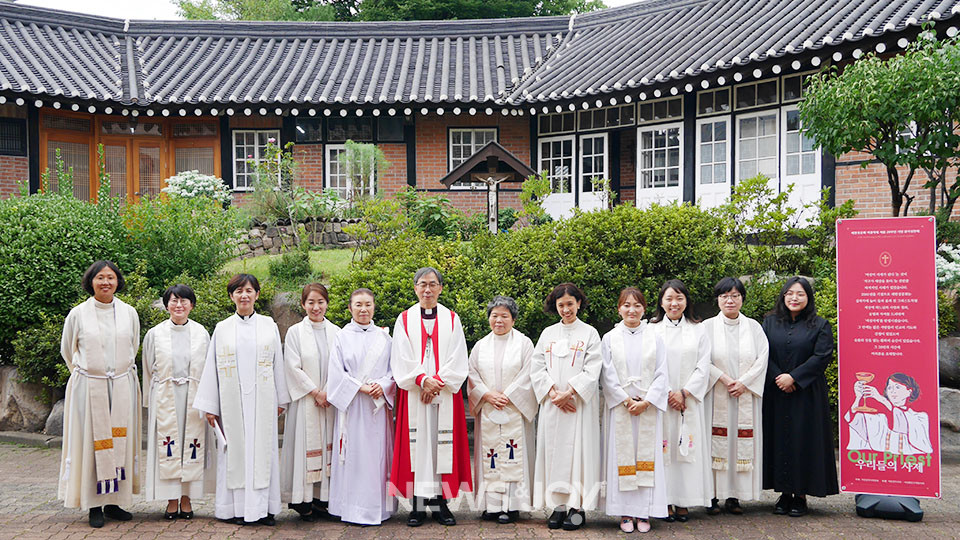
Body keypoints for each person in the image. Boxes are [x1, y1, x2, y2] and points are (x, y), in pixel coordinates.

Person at [194, 274, 291, 526]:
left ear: (257, 295)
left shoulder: (269, 324)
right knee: (235, 454)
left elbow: (277, 362)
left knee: (264, 453)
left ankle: (265, 509)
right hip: (231, 403)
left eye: (249, 290)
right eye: (239, 291)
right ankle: (234, 510)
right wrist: (211, 406)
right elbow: (212, 368)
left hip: (263, 400)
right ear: (231, 296)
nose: (244, 295)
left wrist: (282, 397)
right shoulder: (222, 328)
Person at [59, 260, 142, 528]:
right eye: (100, 278)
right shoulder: (78, 314)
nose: (106, 282)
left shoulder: (129, 312)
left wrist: (117, 373)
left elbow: (134, 345)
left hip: (120, 385)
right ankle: (94, 504)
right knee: (91, 444)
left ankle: (114, 502)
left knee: (119, 443)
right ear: (90, 281)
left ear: (118, 281)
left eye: (111, 277)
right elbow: (68, 350)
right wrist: (88, 374)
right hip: (90, 386)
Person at [389, 267, 472, 527]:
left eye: (432, 284)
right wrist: (422, 381)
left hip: (443, 395)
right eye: (422, 284)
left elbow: (459, 356)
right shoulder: (403, 320)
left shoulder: (452, 318)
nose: (427, 289)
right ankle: (416, 505)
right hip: (415, 395)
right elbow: (400, 356)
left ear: (440, 288)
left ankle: (440, 505)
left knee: (440, 447)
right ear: (415, 288)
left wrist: (436, 383)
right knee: (419, 446)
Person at [762, 276, 838, 517]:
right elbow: (762, 353)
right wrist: (778, 377)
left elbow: (822, 356)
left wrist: (794, 377)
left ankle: (800, 496)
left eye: (800, 294)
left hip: (807, 394)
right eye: (790, 293)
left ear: (808, 297)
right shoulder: (769, 323)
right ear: (783, 297)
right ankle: (783, 493)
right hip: (776, 392)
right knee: (779, 439)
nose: (794, 298)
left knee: (803, 440)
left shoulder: (820, 324)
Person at [530, 282, 602, 531]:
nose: (566, 309)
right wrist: (552, 393)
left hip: (578, 405)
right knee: (553, 453)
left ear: (579, 303)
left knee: (579, 454)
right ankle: (557, 507)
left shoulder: (590, 333)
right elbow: (537, 366)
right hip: (553, 405)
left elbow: (593, 370)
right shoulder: (548, 334)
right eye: (561, 305)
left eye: (570, 304)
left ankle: (577, 508)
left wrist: (570, 392)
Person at [600, 287, 669, 534]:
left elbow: (662, 373)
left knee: (646, 458)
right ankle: (625, 512)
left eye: (637, 305)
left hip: (647, 406)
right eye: (626, 305)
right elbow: (606, 374)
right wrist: (625, 399)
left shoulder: (655, 336)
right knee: (622, 458)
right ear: (618, 308)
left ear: (644, 308)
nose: (632, 310)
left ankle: (644, 512)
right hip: (622, 407)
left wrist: (647, 401)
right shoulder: (609, 338)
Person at [142, 284, 212, 520]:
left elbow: (209, 370)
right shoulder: (155, 334)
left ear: (192, 305)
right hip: (166, 396)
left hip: (193, 397)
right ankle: (172, 499)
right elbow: (148, 369)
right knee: (170, 446)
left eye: (184, 301)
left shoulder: (202, 333)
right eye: (173, 301)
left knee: (191, 446)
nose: (179, 305)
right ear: (166, 305)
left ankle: (187, 498)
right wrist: (151, 399)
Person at [327, 288, 397, 525]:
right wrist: (361, 388)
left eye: (368, 304)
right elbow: (336, 374)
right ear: (350, 308)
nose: (363, 309)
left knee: (377, 459)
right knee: (353, 457)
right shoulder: (341, 337)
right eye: (358, 304)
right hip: (353, 406)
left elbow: (393, 371)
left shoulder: (385, 338)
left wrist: (383, 385)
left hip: (376, 408)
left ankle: (379, 509)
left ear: (374, 307)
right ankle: (352, 509)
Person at [467, 295, 537, 524]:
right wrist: (487, 395)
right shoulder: (480, 346)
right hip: (488, 408)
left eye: (504, 316)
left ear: (513, 319)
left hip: (513, 409)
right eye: (494, 315)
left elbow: (529, 373)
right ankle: (492, 506)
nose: (499, 320)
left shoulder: (524, 344)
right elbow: (472, 375)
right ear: (489, 318)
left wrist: (508, 396)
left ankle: (512, 505)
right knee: (491, 456)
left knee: (511, 452)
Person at [703, 277, 768, 515]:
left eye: (735, 296)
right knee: (715, 442)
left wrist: (743, 383)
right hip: (716, 394)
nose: (729, 300)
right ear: (717, 299)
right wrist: (723, 378)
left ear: (742, 298)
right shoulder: (706, 327)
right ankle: (711, 495)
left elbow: (762, 359)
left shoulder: (754, 328)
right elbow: (702, 360)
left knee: (737, 443)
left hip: (745, 395)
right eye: (724, 296)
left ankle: (734, 496)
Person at [647, 279, 712, 521]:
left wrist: (684, 393)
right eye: (669, 298)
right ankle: (664, 500)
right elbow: (647, 365)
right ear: (661, 302)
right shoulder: (651, 330)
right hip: (661, 402)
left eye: (679, 298)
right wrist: (665, 393)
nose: (674, 303)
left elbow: (703, 366)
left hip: (688, 401)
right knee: (664, 448)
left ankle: (684, 501)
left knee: (686, 449)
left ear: (686, 301)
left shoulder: (698, 329)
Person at [280, 283, 341, 521]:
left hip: (330, 402)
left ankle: (323, 499)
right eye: (311, 302)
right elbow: (292, 367)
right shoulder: (295, 332)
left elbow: (341, 366)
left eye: (321, 302)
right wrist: (316, 392)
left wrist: (328, 391)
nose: (316, 307)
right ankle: (303, 500)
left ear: (327, 303)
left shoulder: (337, 332)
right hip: (307, 401)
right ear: (303, 304)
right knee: (306, 449)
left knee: (328, 448)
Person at [845, 372, 932, 456]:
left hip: (909, 462)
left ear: (909, 391)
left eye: (897, 387)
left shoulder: (919, 417)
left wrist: (881, 399)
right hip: (881, 461)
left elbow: (900, 423)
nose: (893, 391)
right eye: (889, 388)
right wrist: (858, 397)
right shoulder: (879, 418)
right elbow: (853, 421)